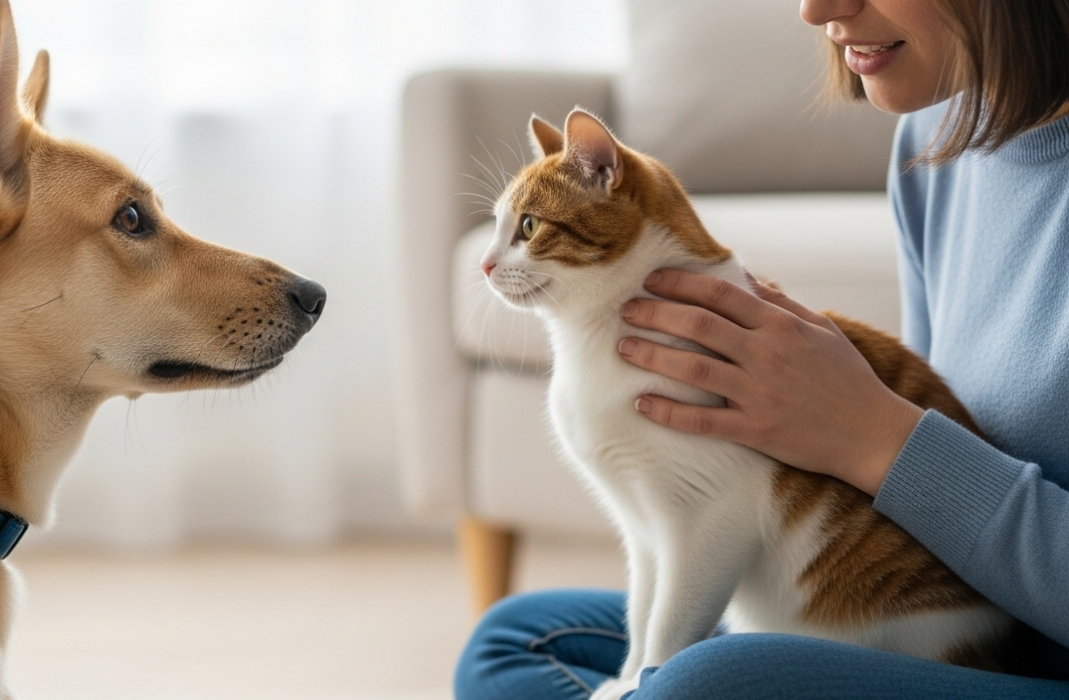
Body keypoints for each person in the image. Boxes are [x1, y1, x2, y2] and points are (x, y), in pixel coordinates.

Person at [453, 0, 1069, 697]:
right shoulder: (935, 134)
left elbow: (896, 446)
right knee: (514, 641)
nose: (816, 11)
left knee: (700, 683)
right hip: (884, 602)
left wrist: (878, 438)